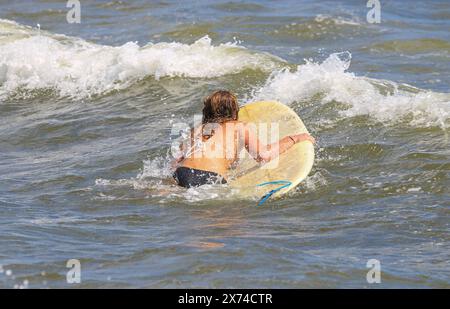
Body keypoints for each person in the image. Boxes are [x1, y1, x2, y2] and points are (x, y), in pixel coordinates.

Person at [172, 90, 315, 188]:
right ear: (234, 110)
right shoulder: (239, 127)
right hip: (209, 178)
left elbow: (177, 160)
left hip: (182, 173)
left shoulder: (196, 130)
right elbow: (263, 156)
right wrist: (294, 138)